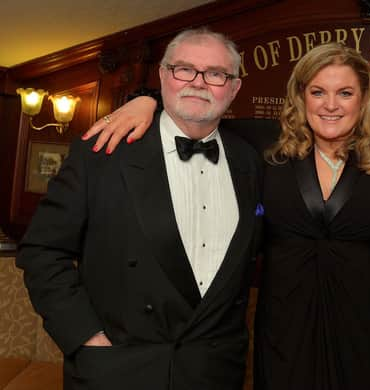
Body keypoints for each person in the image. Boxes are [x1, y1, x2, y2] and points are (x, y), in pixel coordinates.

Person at [81, 43, 370, 390]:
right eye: (318, 91)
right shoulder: (263, 144)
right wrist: (146, 97)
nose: (330, 104)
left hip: (367, 328)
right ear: (300, 95)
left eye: (345, 92)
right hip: (284, 325)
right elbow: (196, 107)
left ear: (363, 97)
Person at [17, 28, 262, 390]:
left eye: (216, 74)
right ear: (163, 75)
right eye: (184, 69)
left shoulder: (252, 158)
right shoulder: (103, 152)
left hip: (212, 372)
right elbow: (42, 251)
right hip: (116, 370)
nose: (199, 83)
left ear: (234, 88)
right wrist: (86, 339)